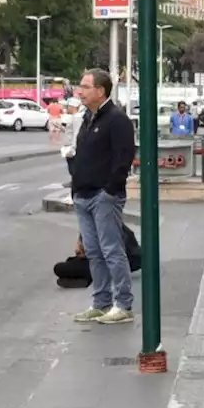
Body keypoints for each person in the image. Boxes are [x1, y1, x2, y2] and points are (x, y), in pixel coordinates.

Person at [69, 68, 138, 325]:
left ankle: (123, 304)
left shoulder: (117, 119)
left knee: (112, 250)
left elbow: (124, 158)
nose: (80, 91)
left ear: (100, 91)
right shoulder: (88, 118)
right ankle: (101, 303)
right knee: (94, 252)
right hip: (83, 195)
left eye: (85, 87)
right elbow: (81, 156)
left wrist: (110, 191)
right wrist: (75, 188)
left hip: (103, 196)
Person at [60, 97, 84, 176]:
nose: (67, 108)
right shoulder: (74, 117)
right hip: (69, 145)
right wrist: (62, 128)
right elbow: (71, 131)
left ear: (72, 107)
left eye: (68, 106)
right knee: (71, 165)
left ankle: (75, 181)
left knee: (73, 166)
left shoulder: (77, 117)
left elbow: (76, 133)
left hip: (71, 146)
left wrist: (74, 147)